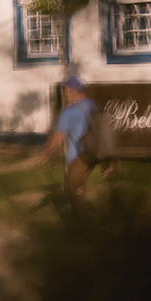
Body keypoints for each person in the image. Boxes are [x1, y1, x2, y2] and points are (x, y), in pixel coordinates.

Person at [39, 75, 99, 218]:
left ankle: (84, 223)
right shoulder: (94, 106)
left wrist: (46, 154)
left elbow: (57, 137)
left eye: (66, 90)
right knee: (75, 183)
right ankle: (75, 209)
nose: (65, 92)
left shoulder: (69, 112)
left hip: (78, 156)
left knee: (74, 187)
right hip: (93, 154)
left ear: (72, 90)